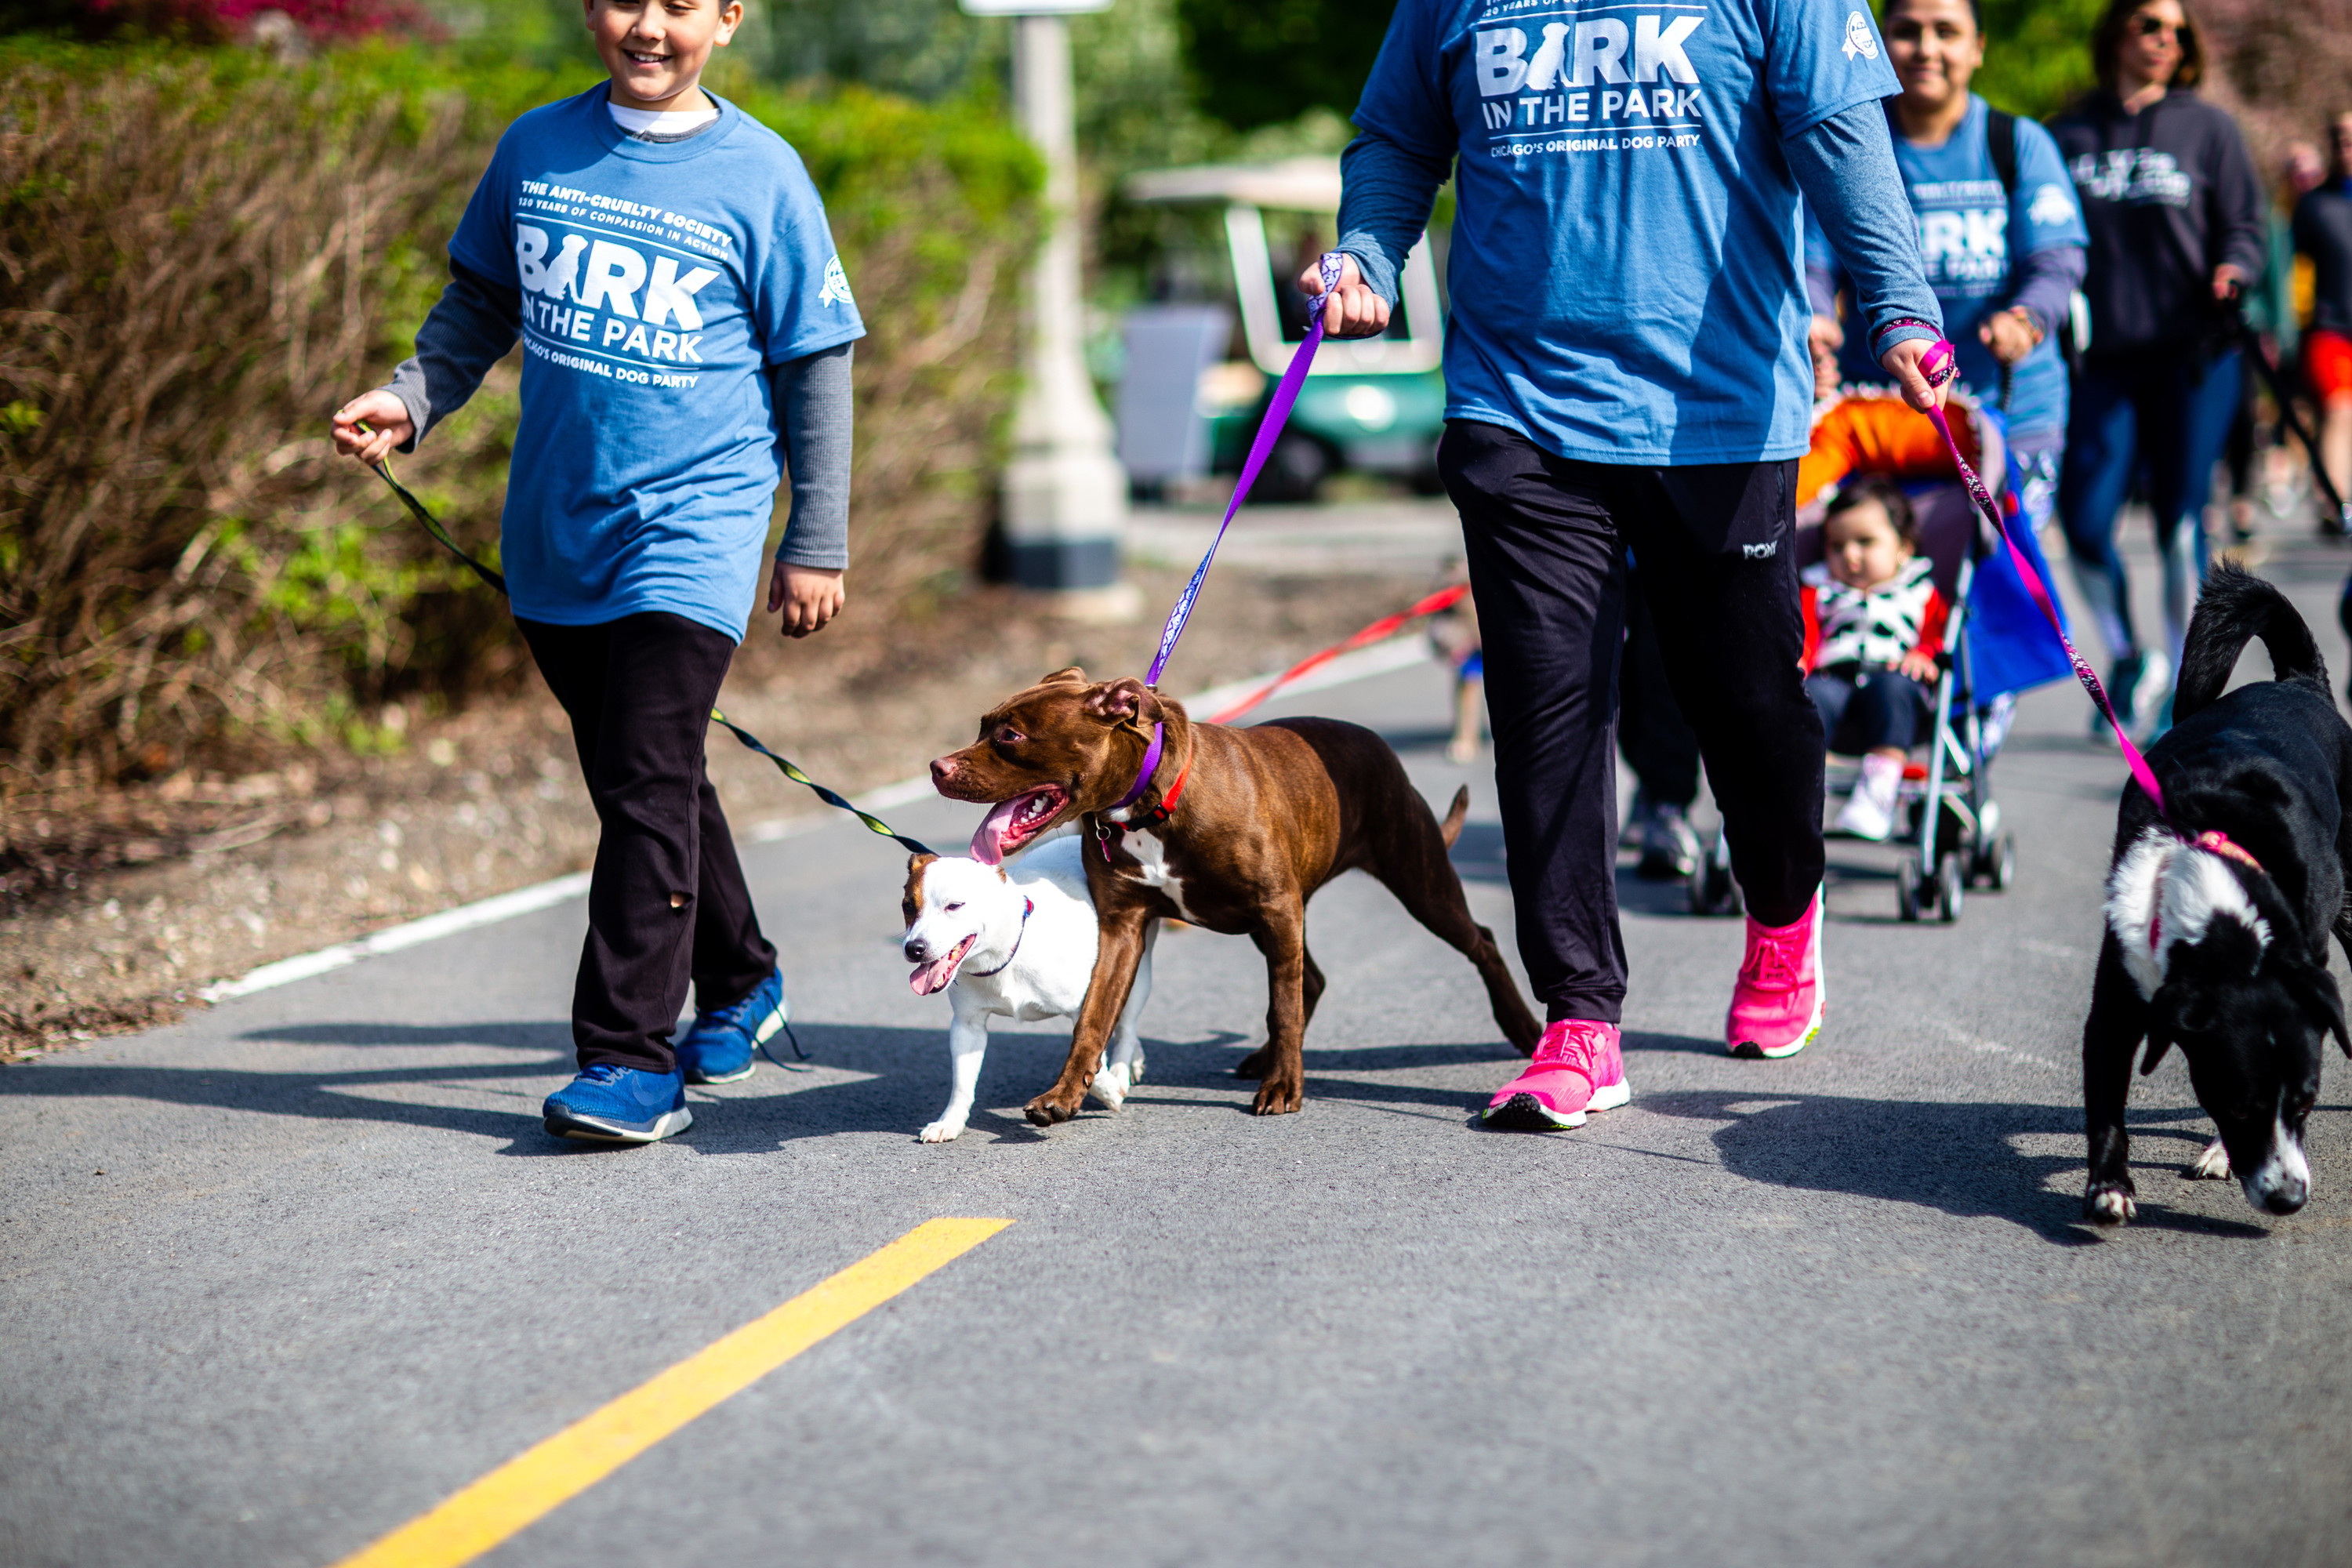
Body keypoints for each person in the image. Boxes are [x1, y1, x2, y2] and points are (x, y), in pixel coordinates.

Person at [1308, 0, 1946, 1129]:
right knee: (1548, 707)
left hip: (1719, 415)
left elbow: (1845, 136)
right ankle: (1580, 1018)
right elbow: (1400, 137)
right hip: (1516, 404)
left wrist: (1898, 306)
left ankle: (1785, 914)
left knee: (1742, 702)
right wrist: (1368, 252)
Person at [331, 0, 864, 1145]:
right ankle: (743, 981)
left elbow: (815, 363)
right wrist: (411, 397)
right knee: (649, 777)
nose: (650, 26)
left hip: (698, 525)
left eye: (682, 4)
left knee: (641, 776)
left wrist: (814, 537)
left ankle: (628, 1057)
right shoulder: (538, 147)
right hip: (558, 532)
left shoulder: (763, 174)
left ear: (728, 17)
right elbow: (481, 300)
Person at [1804, 0, 2087, 583]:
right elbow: (1811, 258)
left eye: (1947, 32)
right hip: (1887, 423)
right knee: (1888, 581)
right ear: (1877, 45)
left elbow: (2057, 261)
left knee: (1990, 587)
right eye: (1906, 32)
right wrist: (1812, 319)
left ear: (1978, 47)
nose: (1926, 49)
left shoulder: (2018, 142)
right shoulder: (1848, 144)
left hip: (2008, 413)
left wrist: (2026, 318)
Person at [2049, 0, 2266, 740]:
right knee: (2080, 521)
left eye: (2178, 30)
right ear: (2116, 33)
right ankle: (2127, 653)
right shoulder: (2065, 134)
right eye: (2150, 24)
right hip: (2102, 361)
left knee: (2179, 524)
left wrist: (2234, 267)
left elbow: (2245, 226)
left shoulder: (2208, 129)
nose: (2166, 39)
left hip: (2194, 355)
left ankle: (2185, 686)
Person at [1802, 478, 1950, 840]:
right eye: (1837, 546)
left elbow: (1939, 635)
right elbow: (1802, 635)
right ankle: (1799, 790)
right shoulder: (1821, 589)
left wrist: (1924, 655)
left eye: (1865, 543)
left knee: (1894, 688)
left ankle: (1877, 792)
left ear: (1904, 548)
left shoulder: (1920, 589)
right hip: (1834, 679)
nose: (1850, 556)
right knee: (1809, 698)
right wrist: (1800, 663)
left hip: (1894, 682)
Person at [2294, 112, 2352, 521]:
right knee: (2340, 410)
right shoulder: (2315, 206)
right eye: (2342, 140)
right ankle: (2337, 504)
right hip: (2330, 326)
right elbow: (2292, 270)